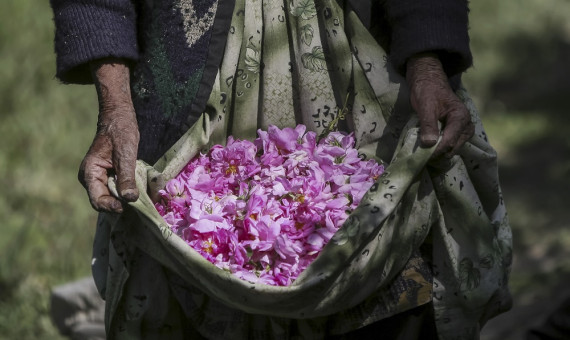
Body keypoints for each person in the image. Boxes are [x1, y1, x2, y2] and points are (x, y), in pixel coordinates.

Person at [50, 0, 491, 338]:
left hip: (361, 56)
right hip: (190, 64)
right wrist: (115, 104)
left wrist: (428, 61)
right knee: (186, 277)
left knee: (393, 258)